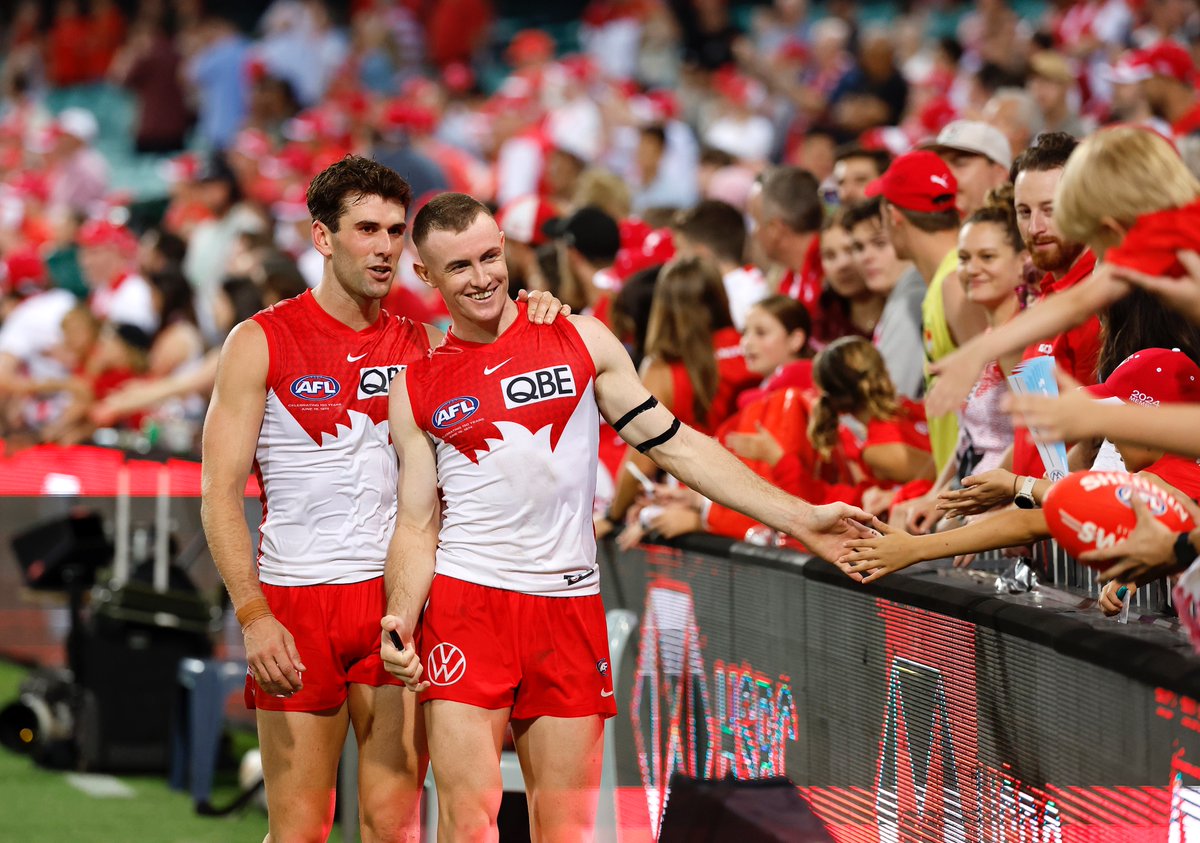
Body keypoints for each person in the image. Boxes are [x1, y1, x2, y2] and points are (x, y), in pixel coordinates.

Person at [379, 193, 877, 841]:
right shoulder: (416, 386)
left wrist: (803, 516)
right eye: (459, 268)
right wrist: (400, 614)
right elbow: (418, 525)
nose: (481, 278)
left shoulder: (579, 337)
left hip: (567, 608)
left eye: (490, 257)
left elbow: (677, 443)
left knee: (566, 830)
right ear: (426, 276)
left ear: (506, 247)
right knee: (469, 826)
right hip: (467, 608)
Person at [200, 157, 566, 842]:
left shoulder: (425, 345)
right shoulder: (259, 342)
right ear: (322, 237)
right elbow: (218, 495)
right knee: (299, 830)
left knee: (392, 826)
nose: (386, 246)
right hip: (296, 604)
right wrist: (252, 616)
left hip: (395, 605)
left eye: (396, 230)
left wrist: (542, 311)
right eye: (366, 228)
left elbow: (512, 352)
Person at [868, 150, 988, 474]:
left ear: (893, 215)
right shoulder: (947, 280)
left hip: (980, 488)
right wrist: (928, 488)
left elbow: (995, 402)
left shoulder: (955, 284)